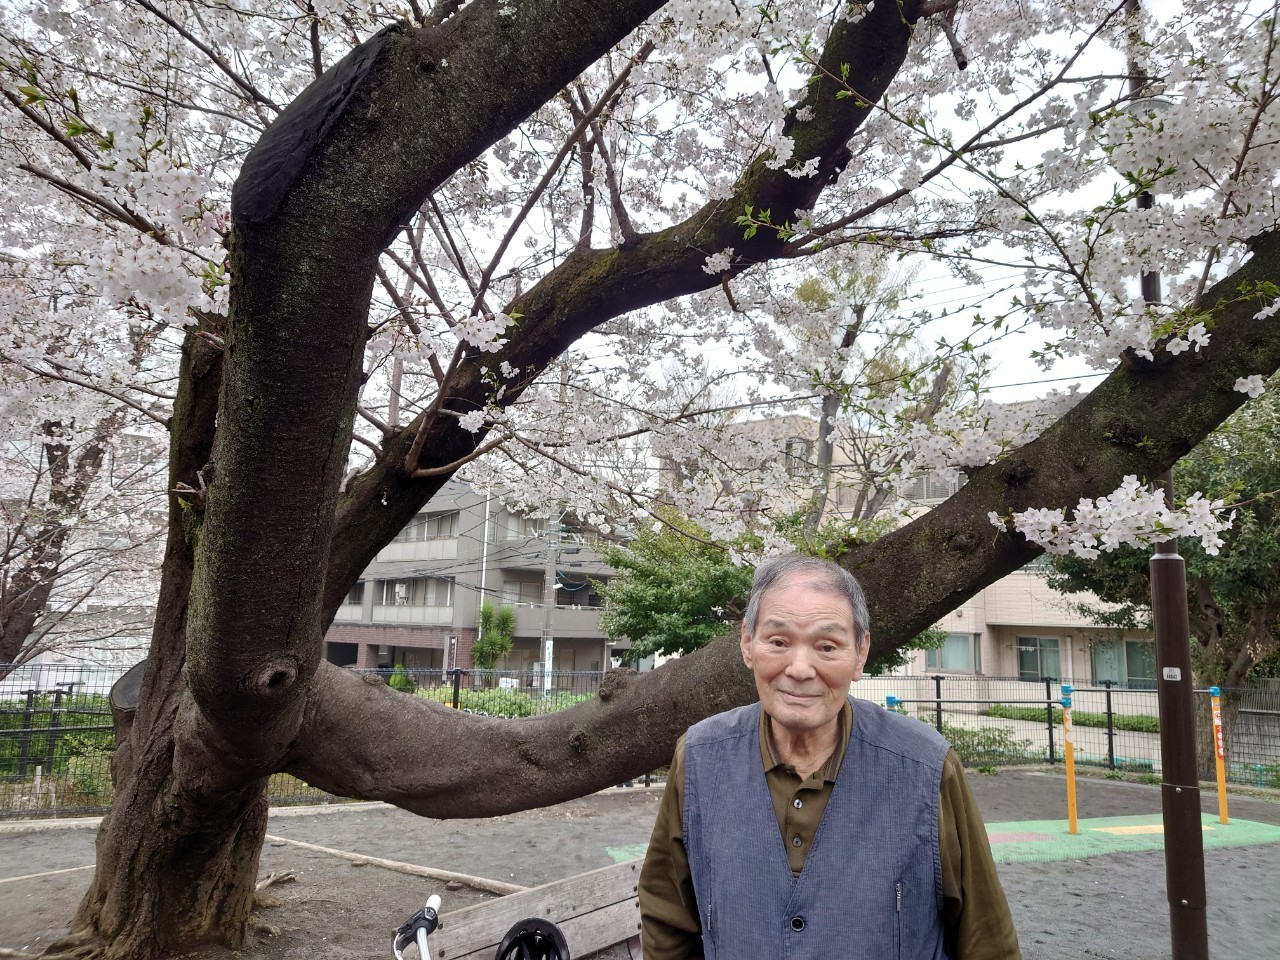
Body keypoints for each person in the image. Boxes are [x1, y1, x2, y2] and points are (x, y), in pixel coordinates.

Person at [638, 555, 1021, 959]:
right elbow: (667, 918)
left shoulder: (926, 765)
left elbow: (986, 938)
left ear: (860, 653)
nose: (800, 669)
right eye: (778, 641)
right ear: (747, 644)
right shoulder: (700, 757)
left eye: (827, 646)